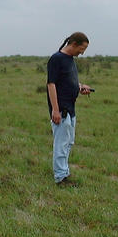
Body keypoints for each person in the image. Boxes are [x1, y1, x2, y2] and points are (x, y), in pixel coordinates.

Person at [46, 32, 93, 185]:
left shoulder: (70, 60)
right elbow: (51, 84)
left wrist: (80, 87)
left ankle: (64, 173)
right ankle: (60, 178)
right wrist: (55, 109)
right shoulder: (56, 59)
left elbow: (66, 81)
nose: (82, 52)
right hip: (61, 110)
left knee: (68, 143)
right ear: (73, 44)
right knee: (61, 144)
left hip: (71, 109)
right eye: (82, 48)